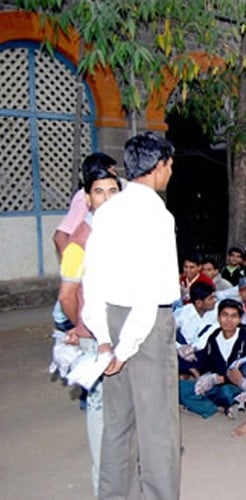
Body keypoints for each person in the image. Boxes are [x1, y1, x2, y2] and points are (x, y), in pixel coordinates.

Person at [81, 132, 181, 499]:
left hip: (111, 318)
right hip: (147, 327)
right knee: (157, 428)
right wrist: (125, 349)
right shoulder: (157, 215)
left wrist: (106, 340)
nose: (170, 172)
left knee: (117, 424)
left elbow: (92, 280)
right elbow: (149, 291)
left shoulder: (107, 210)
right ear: (158, 167)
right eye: (170, 166)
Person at [56, 162, 121, 496]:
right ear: (87, 198)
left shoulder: (122, 234)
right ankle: (103, 487)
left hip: (123, 339)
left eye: (113, 191)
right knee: (99, 415)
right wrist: (81, 325)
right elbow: (67, 295)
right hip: (95, 342)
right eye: (99, 192)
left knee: (122, 413)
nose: (107, 198)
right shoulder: (78, 243)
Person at [178, 299, 246, 419]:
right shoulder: (214, 337)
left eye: (234, 316)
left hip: (237, 385)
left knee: (226, 393)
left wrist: (221, 379)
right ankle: (217, 408)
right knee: (179, 388)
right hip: (215, 385)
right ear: (218, 317)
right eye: (225, 315)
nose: (229, 320)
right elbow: (206, 364)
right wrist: (206, 378)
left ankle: (209, 402)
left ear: (239, 319)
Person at [53, 152, 120, 258]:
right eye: (111, 171)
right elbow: (60, 236)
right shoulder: (83, 197)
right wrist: (70, 268)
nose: (115, 175)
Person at [174, 282, 218, 376]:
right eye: (210, 298)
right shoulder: (182, 313)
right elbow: (167, 333)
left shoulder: (216, 312)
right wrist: (179, 348)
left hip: (201, 350)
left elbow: (208, 336)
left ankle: (191, 370)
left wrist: (193, 348)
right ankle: (192, 370)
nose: (214, 301)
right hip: (183, 350)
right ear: (199, 303)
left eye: (214, 297)